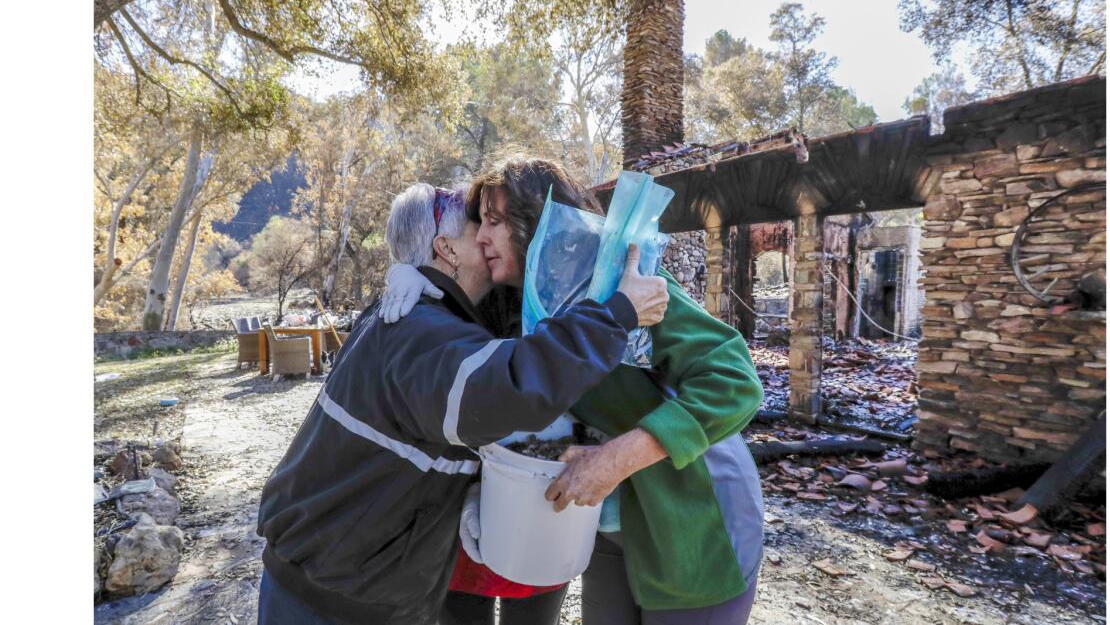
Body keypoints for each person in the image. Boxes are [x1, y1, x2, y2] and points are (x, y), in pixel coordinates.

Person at [255, 182, 669, 624]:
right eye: (479, 223)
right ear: (445, 248)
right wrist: (618, 313)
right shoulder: (420, 332)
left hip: (341, 579)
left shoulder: (415, 313)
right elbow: (513, 387)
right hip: (333, 598)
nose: (489, 235)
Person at [383, 155, 765, 624]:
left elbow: (734, 380)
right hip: (614, 520)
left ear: (538, 222)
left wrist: (615, 459)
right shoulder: (519, 301)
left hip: (694, 513)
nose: (480, 237)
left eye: (495, 222)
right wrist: (411, 272)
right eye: (479, 223)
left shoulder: (620, 282)